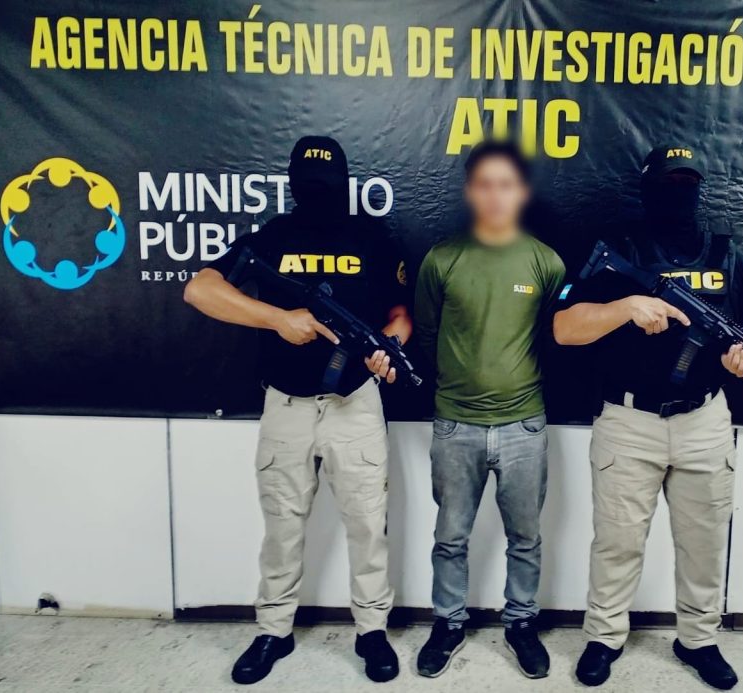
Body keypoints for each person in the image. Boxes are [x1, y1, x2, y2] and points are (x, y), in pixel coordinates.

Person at [183, 136, 411, 685]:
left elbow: (401, 314)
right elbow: (200, 290)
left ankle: (372, 631)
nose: (318, 194)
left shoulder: (374, 240)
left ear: (344, 184)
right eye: (309, 185)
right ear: (292, 185)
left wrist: (389, 348)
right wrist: (278, 319)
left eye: (326, 185)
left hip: (355, 404)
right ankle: (273, 630)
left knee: (368, 526)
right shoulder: (271, 238)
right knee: (282, 527)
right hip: (285, 405)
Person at [553, 145, 743, 690]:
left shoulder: (725, 254)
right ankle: (605, 637)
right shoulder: (618, 249)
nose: (679, 194)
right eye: (668, 183)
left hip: (704, 422)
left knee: (704, 543)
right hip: (629, 423)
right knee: (618, 542)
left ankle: (697, 639)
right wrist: (625, 308)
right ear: (647, 188)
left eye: (687, 183)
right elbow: (564, 328)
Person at [412, 141, 566, 680]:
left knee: (525, 537)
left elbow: (556, 336)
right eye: (484, 184)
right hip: (455, 423)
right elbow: (427, 334)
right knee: (450, 537)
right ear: (469, 191)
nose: (495, 195)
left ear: (520, 192)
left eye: (506, 184)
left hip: (525, 423)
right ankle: (448, 623)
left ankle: (521, 623)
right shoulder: (442, 259)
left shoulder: (545, 261)